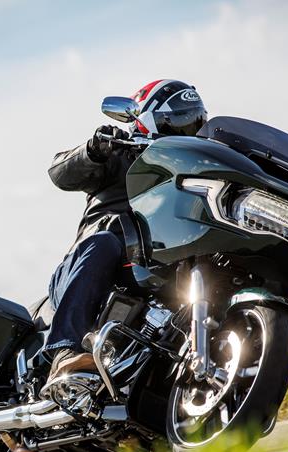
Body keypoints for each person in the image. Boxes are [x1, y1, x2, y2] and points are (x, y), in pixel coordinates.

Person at [44, 79, 208, 380]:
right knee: (105, 242)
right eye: (177, 120)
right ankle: (63, 351)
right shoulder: (119, 154)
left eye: (194, 122)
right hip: (88, 267)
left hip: (151, 265)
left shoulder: (191, 175)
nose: (187, 130)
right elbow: (60, 173)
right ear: (147, 118)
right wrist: (95, 149)